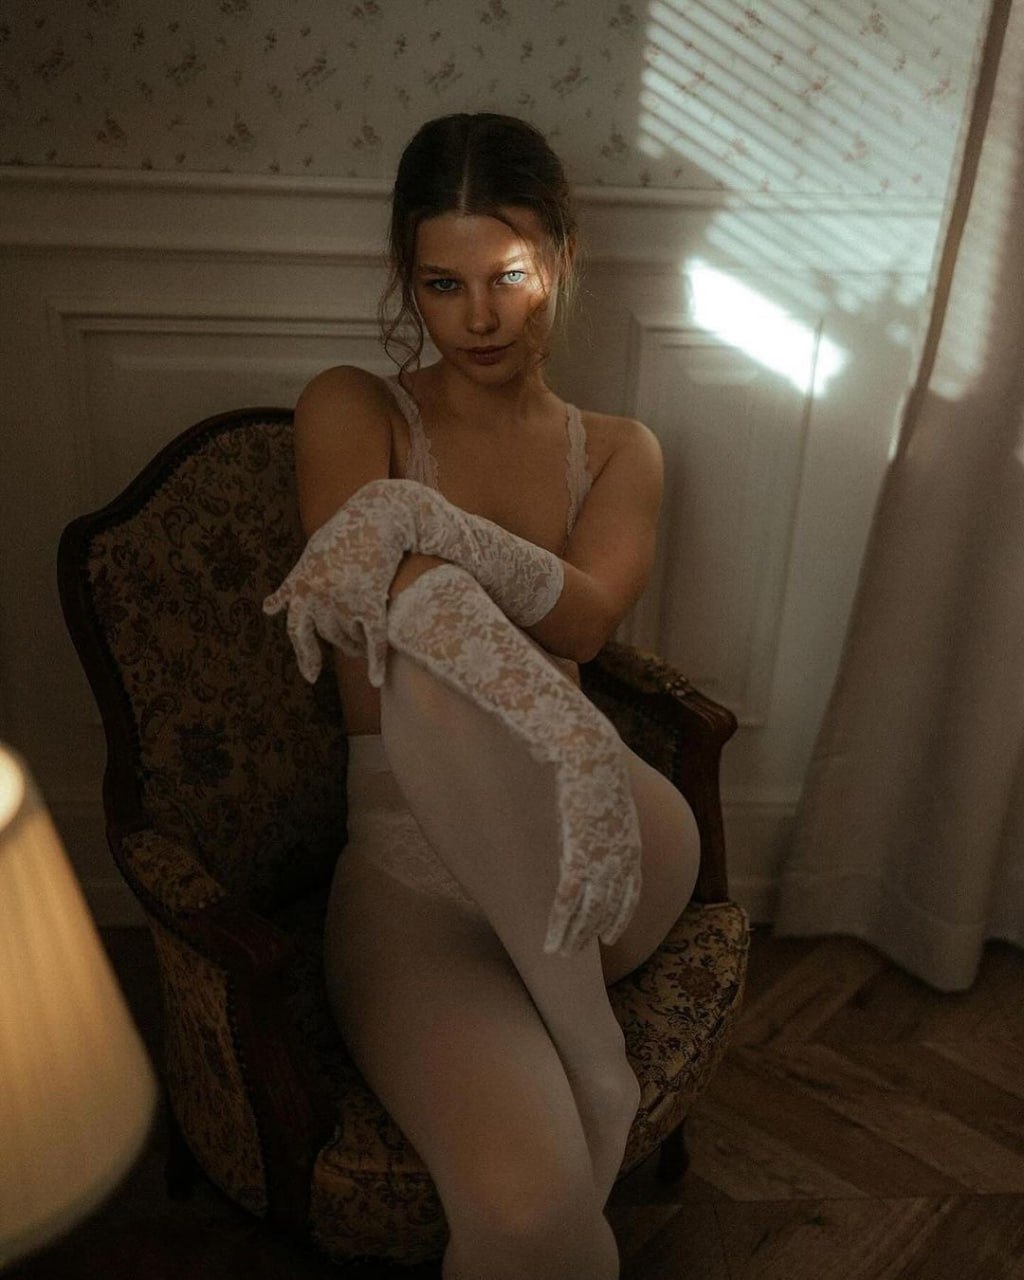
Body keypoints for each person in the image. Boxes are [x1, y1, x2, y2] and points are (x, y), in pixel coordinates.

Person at [264, 113, 700, 1280]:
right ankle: (589, 1051)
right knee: (525, 1214)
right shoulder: (351, 405)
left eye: (507, 276)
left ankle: (581, 1022)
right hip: (417, 878)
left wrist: (424, 518)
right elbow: (380, 594)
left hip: (596, 839)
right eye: (442, 284)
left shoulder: (619, 447)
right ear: (407, 279)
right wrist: (414, 533)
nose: (478, 317)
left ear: (560, 254)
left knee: (437, 590)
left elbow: (586, 622)